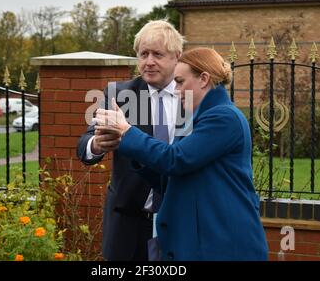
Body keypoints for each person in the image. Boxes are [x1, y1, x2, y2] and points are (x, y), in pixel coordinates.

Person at [93, 47, 269, 261]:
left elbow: (176, 159)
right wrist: (127, 144)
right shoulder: (197, 118)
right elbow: (172, 178)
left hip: (224, 243)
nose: (175, 90)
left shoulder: (223, 118)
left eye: (180, 81)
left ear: (203, 79)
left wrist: (128, 131)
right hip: (207, 240)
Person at [77, 20, 185, 260]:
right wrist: (96, 145)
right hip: (127, 224)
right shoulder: (120, 95)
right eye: (143, 54)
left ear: (176, 56)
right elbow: (84, 145)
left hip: (179, 222)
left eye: (157, 54)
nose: (149, 61)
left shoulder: (190, 96)